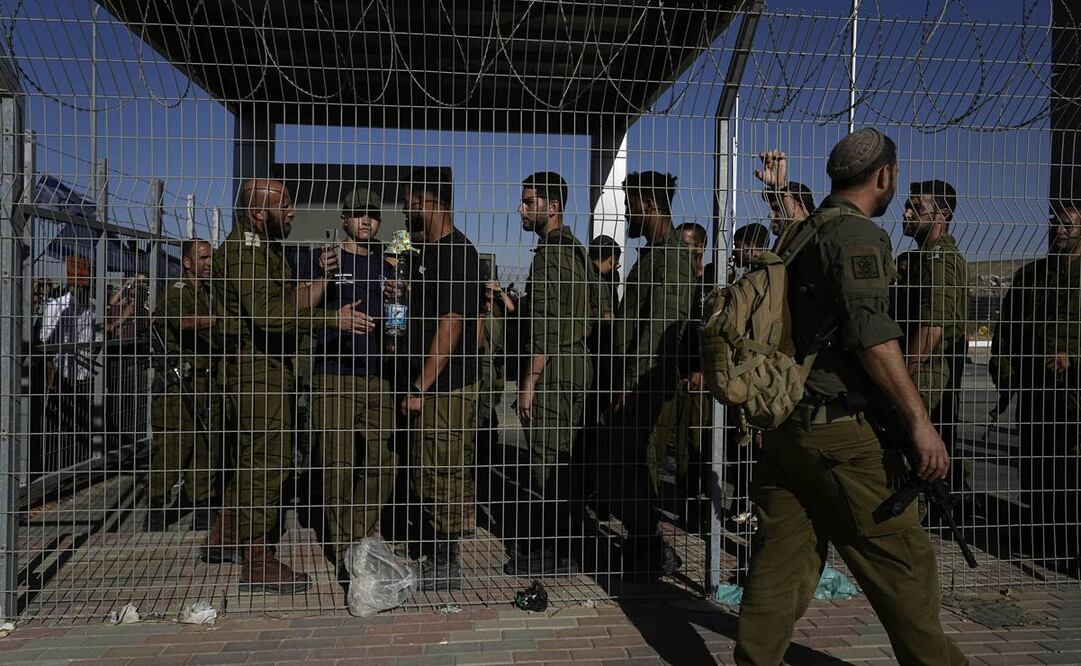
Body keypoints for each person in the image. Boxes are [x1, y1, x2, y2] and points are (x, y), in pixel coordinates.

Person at [734, 128, 967, 665]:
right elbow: (873, 336)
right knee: (903, 566)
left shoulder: (801, 232)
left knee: (781, 565)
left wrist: (779, 188)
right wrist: (919, 423)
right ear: (884, 176)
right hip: (842, 436)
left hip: (788, 424)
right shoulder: (858, 236)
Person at [205, 178, 371, 593]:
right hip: (255, 372)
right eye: (286, 205)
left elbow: (289, 301)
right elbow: (270, 315)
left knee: (254, 456)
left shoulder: (264, 249)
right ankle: (257, 561)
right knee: (268, 461)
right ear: (260, 213)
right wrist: (333, 319)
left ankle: (226, 536)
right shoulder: (245, 251)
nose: (294, 212)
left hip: (266, 370)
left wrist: (321, 278)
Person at [297, 187, 397, 587]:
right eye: (357, 214)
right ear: (344, 218)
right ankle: (344, 550)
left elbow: (396, 326)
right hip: (335, 374)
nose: (366, 220)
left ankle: (357, 533)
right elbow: (301, 306)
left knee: (383, 461)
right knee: (336, 463)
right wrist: (324, 279)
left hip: (378, 376)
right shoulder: (325, 257)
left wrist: (396, 300)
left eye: (371, 214)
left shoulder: (385, 265)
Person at [504, 171, 595, 577]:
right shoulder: (574, 250)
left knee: (546, 461)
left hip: (555, 367)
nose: (521, 209)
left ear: (552, 207)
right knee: (565, 460)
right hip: (577, 362)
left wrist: (529, 384)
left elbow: (546, 324)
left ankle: (558, 551)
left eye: (529, 202)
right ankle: (567, 543)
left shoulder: (550, 255)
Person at [397, 167, 484, 591]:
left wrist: (420, 385)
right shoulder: (425, 252)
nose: (406, 209)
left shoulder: (455, 252)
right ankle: (436, 551)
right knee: (428, 469)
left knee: (444, 470)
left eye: (410, 200)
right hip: (432, 384)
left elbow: (451, 322)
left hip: (446, 386)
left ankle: (447, 562)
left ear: (427, 200)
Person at [606, 170, 695, 578]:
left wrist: (631, 383)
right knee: (626, 465)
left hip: (647, 383)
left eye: (630, 205)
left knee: (638, 466)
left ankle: (653, 550)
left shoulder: (673, 255)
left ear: (648, 205)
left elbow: (660, 329)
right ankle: (643, 544)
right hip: (636, 379)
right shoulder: (656, 253)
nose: (627, 214)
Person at [989, 204, 1080, 574]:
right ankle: (1042, 536)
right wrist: (1008, 379)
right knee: (1037, 466)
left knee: (1070, 469)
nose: (1059, 229)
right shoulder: (1032, 276)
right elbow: (1007, 332)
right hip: (1035, 389)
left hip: (1074, 392)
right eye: (1057, 222)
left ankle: (1069, 542)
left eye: (1069, 224)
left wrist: (1074, 358)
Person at [892, 180, 972, 512]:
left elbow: (931, 329)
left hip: (926, 368)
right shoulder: (923, 257)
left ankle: (913, 518)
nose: (907, 213)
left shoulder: (941, 260)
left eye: (917, 208)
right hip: (917, 365)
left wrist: (902, 375)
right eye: (907, 206)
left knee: (909, 449)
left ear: (942, 215)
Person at [146, 239, 224, 532]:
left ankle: (203, 512)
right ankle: (155, 511)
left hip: (205, 384)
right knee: (172, 450)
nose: (208, 263)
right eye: (203, 258)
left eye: (210, 258)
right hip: (178, 388)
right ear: (187, 262)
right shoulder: (178, 292)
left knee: (206, 450)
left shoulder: (208, 293)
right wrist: (219, 321)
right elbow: (183, 321)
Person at [753, 149, 815, 238]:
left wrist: (781, 187)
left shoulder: (815, 241)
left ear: (802, 209)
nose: (770, 215)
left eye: (777, 208)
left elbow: (800, 230)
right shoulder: (782, 245)